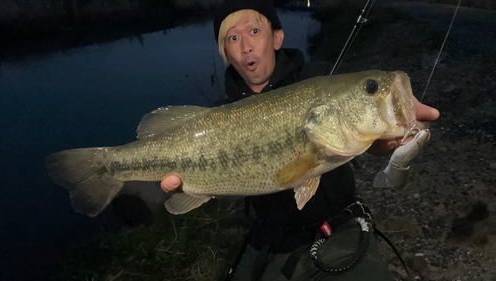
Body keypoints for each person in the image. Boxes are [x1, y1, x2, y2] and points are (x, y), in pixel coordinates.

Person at [161, 1, 440, 280]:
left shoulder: (314, 78)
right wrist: (191, 187)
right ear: (225, 53)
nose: (245, 45)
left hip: (338, 229)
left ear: (277, 38)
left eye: (254, 31)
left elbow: (369, 137)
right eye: (233, 38)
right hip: (269, 239)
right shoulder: (217, 116)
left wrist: (388, 136)